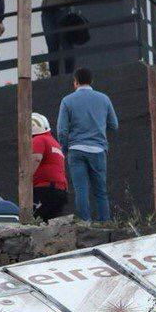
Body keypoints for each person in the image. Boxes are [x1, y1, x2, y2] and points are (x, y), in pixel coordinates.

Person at [57, 68, 118, 222]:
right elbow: (114, 125)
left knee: (81, 190)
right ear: (91, 81)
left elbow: (62, 131)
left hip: (76, 150)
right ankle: (106, 223)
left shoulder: (67, 100)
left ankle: (85, 224)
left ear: (75, 82)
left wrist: (65, 149)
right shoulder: (104, 99)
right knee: (101, 191)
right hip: (98, 150)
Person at [30, 112, 68, 221]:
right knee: (52, 224)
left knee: (33, 221)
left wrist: (25, 178)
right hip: (60, 190)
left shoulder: (38, 139)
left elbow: (36, 158)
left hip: (45, 190)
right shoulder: (54, 143)